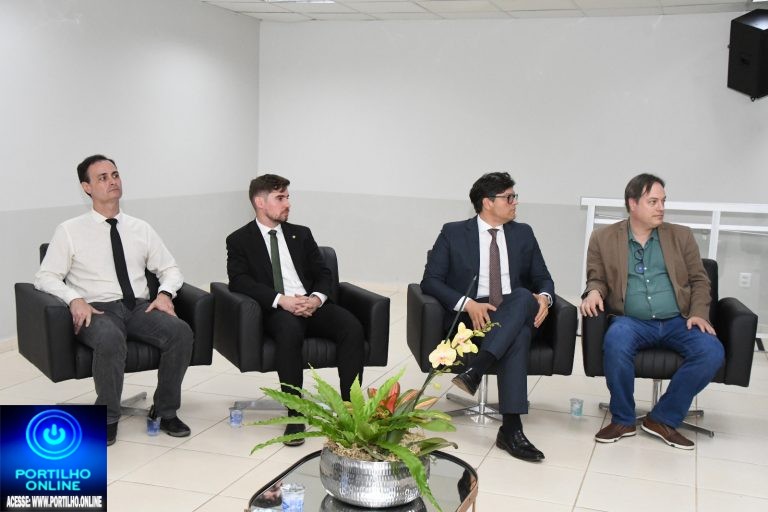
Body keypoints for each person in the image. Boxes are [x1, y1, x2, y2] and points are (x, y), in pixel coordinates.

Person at [35, 154, 194, 446]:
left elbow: (170, 268)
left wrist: (164, 294)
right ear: (86, 187)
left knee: (180, 332)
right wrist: (74, 299)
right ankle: (107, 417)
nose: (112, 181)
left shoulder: (141, 228)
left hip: (137, 307)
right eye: (103, 178)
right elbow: (45, 277)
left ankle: (165, 410)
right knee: (109, 338)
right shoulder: (69, 230)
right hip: (97, 310)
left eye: (115, 175)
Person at [581, 173, 724, 450]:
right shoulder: (603, 238)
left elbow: (699, 280)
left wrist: (698, 313)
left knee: (712, 351)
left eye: (663, 201)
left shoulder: (681, 236)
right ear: (632, 203)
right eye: (653, 201)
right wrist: (594, 291)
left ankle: (662, 418)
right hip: (632, 321)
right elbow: (596, 277)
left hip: (678, 320)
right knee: (616, 340)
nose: (661, 208)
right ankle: (623, 419)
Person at [421, 172, 554, 462]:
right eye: (509, 197)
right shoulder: (454, 232)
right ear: (487, 202)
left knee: (522, 296)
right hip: (474, 316)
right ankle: (511, 429)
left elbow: (543, 278)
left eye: (514, 196)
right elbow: (430, 281)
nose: (515, 202)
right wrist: (468, 304)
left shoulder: (523, 233)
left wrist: (544, 297)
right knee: (518, 333)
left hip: (516, 305)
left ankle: (477, 369)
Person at [226, 174, 365, 446]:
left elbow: (323, 272)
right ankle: (295, 413)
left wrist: (315, 299)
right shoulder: (239, 240)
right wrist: (281, 300)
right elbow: (239, 281)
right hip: (277, 309)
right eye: (280, 198)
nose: (287, 203)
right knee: (289, 331)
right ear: (260, 202)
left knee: (351, 326)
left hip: (311, 304)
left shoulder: (301, 234)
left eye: (288, 197)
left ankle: (352, 411)